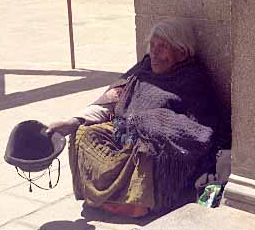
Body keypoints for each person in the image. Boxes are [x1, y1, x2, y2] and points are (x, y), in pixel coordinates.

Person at [47, 19, 219, 217]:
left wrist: (149, 121)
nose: (154, 53)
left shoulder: (193, 80)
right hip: (124, 132)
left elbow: (201, 132)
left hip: (154, 147)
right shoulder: (144, 69)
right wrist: (73, 122)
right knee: (84, 134)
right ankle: (110, 194)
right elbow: (114, 97)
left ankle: (137, 203)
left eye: (162, 47)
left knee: (146, 148)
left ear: (182, 52)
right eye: (152, 45)